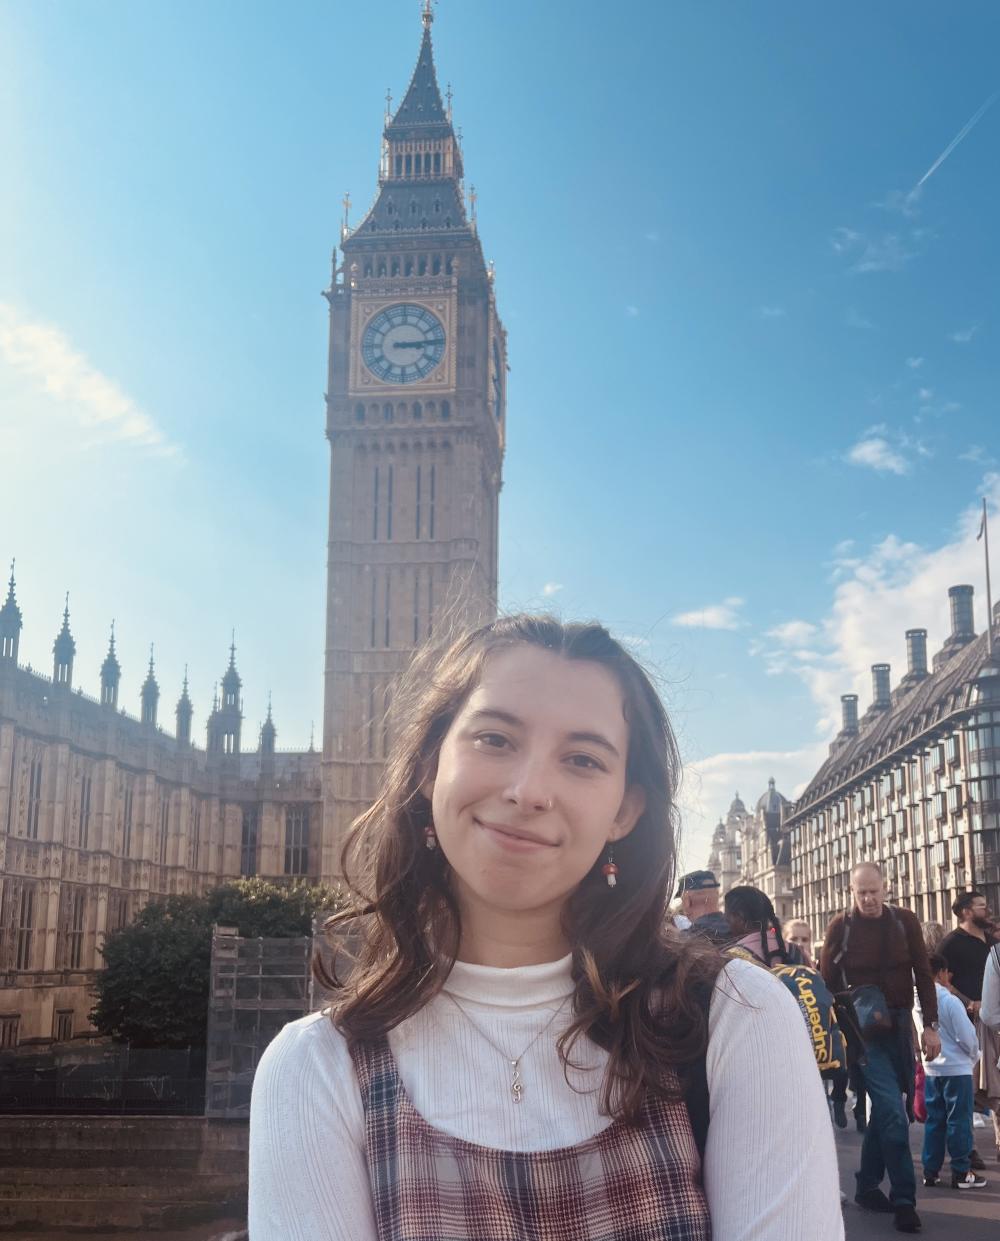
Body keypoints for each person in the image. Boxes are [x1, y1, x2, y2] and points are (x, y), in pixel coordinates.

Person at [248, 615, 842, 1240]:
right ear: (430, 766)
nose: (529, 791)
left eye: (582, 759)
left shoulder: (737, 1018)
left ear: (626, 809)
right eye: (495, 740)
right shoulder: (315, 1068)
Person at [820, 862, 941, 1234]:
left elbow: (923, 974)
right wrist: (834, 1036)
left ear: (886, 888)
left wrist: (931, 1027)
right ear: (852, 892)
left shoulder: (905, 921)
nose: (869, 899)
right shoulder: (841, 927)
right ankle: (905, 1200)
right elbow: (824, 985)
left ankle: (868, 1185)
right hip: (862, 1035)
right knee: (891, 1110)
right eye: (862, 893)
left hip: (901, 1026)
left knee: (889, 1111)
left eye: (874, 891)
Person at [940, 891, 1000, 1165]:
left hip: (995, 1022)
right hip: (967, 1023)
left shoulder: (992, 942)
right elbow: (942, 982)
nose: (987, 910)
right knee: (970, 1089)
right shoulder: (951, 944)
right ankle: (969, 1148)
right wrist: (969, 1003)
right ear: (965, 911)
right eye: (981, 906)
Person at [919, 954, 986, 1190]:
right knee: (959, 1120)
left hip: (932, 1068)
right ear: (941, 973)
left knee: (934, 1121)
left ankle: (931, 1171)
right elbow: (967, 1036)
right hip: (957, 1068)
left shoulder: (917, 1002)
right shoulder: (949, 1001)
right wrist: (973, 1056)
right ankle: (961, 1171)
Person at [724, 886, 802, 966]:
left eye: (727, 919)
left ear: (740, 918)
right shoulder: (797, 952)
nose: (727, 925)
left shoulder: (731, 958)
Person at [676, 869, 730, 941]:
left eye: (682, 900)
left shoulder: (684, 941)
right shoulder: (738, 930)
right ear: (717, 894)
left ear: (687, 901)